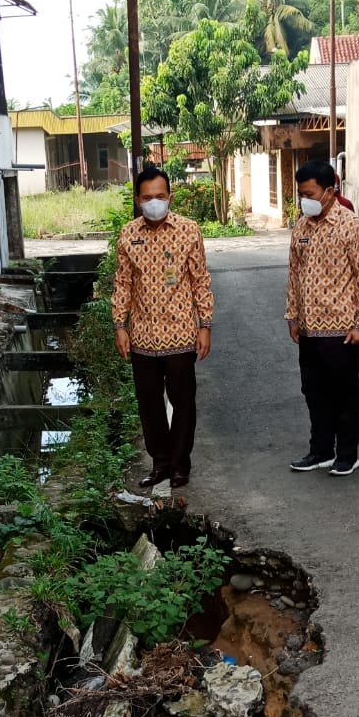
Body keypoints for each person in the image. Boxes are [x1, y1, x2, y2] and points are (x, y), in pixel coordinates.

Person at [111, 163, 213, 490]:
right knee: (150, 405)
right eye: (147, 197)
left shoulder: (188, 231)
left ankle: (180, 464)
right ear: (137, 200)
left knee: (183, 403)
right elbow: (122, 284)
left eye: (160, 196)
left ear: (170, 197)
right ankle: (160, 464)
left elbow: (200, 281)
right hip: (141, 336)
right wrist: (120, 326)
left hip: (181, 334)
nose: (154, 202)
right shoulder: (128, 234)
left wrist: (204, 325)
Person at [286, 159, 359, 476]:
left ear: (329, 191)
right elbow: (294, 273)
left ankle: (347, 454)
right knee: (313, 390)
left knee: (345, 392)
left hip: (342, 330)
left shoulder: (352, 228)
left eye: (309, 193)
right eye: (301, 193)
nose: (304, 199)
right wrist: (293, 315)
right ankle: (321, 450)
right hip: (309, 329)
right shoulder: (302, 226)